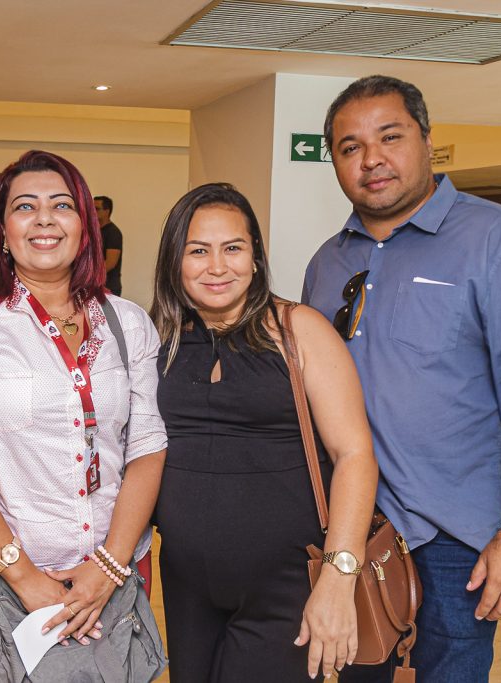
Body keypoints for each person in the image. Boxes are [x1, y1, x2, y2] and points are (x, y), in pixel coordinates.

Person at [302, 75, 501, 682]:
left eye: (390, 137)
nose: (371, 159)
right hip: (353, 526)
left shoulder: (499, 241)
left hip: (456, 539)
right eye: (350, 146)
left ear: (428, 141)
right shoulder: (328, 262)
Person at [0, 151, 166, 651]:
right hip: (4, 575)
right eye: (25, 206)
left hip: (118, 565)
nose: (45, 219)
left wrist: (109, 566)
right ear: (2, 230)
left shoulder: (128, 321)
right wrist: (26, 578)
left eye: (62, 205)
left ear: (85, 226)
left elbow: (146, 445)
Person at [151, 182, 379, 682]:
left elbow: (355, 454)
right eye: (198, 251)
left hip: (286, 587)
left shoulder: (300, 330)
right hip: (187, 588)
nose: (217, 266)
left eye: (232, 248)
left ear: (255, 256)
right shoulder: (162, 338)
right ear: (175, 261)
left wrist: (340, 576)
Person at [95, 195, 123, 295]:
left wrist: (90, 277)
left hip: (108, 287)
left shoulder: (113, 232)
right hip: (95, 285)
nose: (93, 211)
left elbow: (110, 263)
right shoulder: (94, 231)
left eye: (97, 209)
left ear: (107, 211)